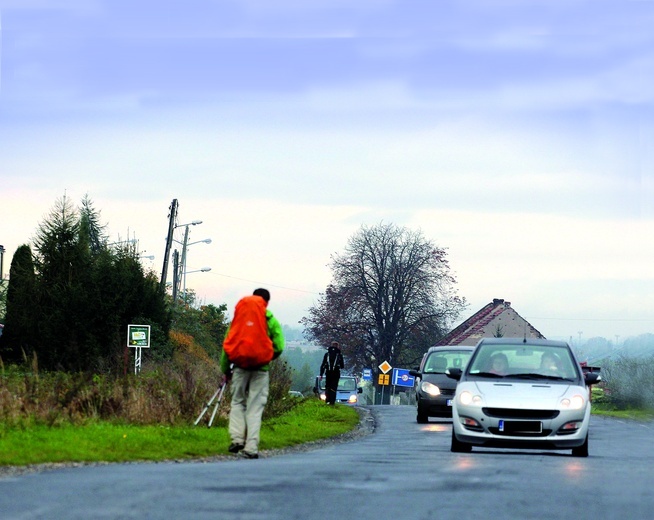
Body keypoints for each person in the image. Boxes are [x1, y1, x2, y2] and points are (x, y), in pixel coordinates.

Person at [220, 288, 285, 459]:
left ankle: (236, 439)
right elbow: (279, 346)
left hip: (240, 368)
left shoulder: (239, 318)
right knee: (255, 407)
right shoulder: (269, 318)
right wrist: (268, 357)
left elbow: (228, 344)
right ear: (266, 301)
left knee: (237, 403)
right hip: (260, 370)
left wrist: (226, 370)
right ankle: (251, 447)